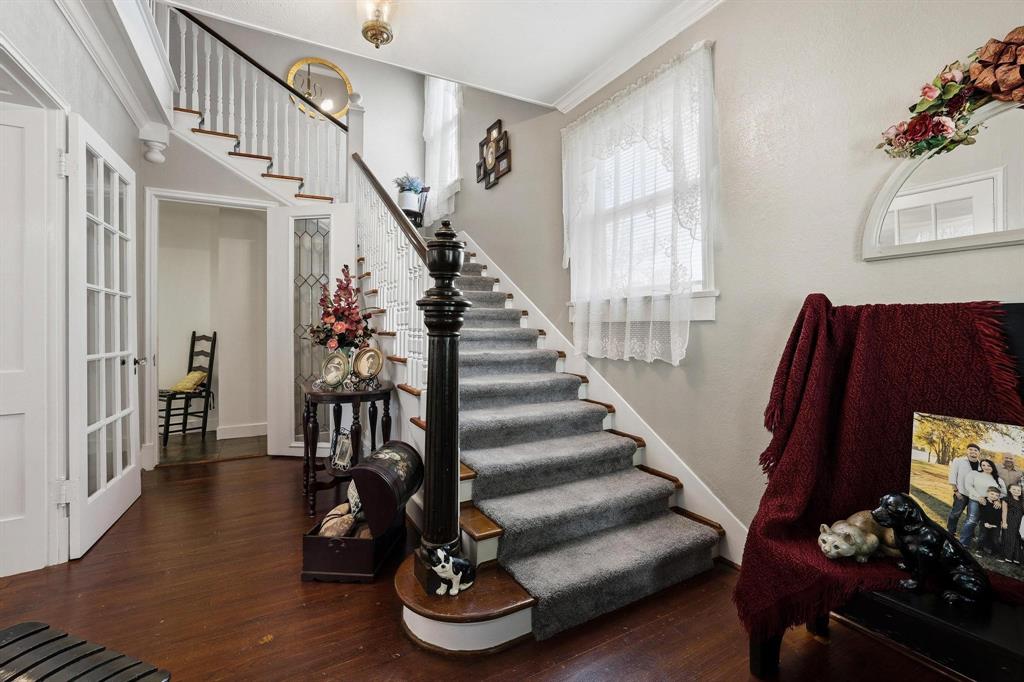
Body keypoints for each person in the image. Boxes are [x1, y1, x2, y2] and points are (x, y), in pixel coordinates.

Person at [961, 458, 1006, 549]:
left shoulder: (998, 479)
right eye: (983, 465)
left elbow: (1004, 493)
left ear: (993, 466)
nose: (986, 467)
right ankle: (963, 543)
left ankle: (985, 544)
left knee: (987, 523)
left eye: (988, 465)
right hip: (976, 500)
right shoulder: (974, 474)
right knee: (972, 521)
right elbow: (968, 486)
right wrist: (979, 496)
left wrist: (998, 500)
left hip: (990, 504)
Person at [947, 444, 982, 537]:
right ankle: (951, 531)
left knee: (971, 516)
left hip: (974, 496)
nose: (973, 451)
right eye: (970, 449)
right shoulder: (959, 461)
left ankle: (969, 532)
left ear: (979, 453)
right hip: (961, 493)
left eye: (975, 450)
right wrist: (956, 491)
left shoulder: (981, 465)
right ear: (967, 451)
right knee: (955, 513)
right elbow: (952, 476)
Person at [978, 487, 1004, 556]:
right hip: (985, 523)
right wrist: (985, 522)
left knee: (995, 538)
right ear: (987, 493)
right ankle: (980, 550)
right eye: (992, 494)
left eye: (996, 495)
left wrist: (997, 524)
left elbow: (999, 515)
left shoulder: (998, 504)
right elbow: (982, 513)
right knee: (983, 536)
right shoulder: (983, 501)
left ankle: (994, 552)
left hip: (995, 524)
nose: (994, 496)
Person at [1002, 483, 1024, 564]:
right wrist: (1004, 522)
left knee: (1018, 539)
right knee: (1010, 538)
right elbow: (1004, 511)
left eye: (1018, 490)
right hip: (1010, 521)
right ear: (1009, 490)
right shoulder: (1006, 499)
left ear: (1021, 492)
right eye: (1014, 489)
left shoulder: (1022, 501)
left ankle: (1016, 558)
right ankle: (1008, 556)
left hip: (1020, 523)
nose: (1016, 491)